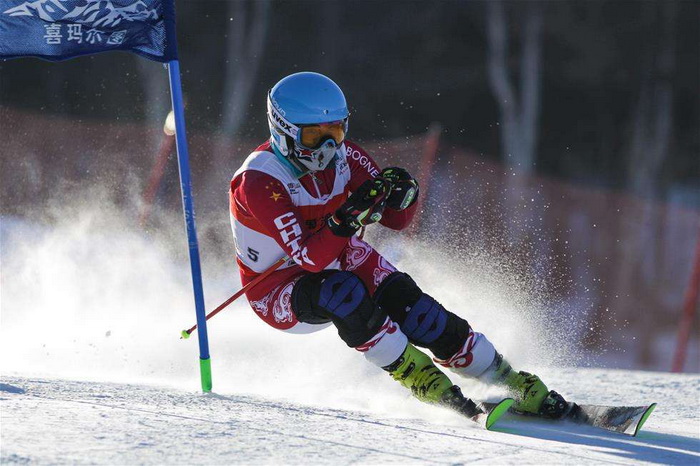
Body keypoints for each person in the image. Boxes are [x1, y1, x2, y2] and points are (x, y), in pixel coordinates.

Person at [229, 71, 567, 419]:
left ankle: (510, 381)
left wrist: (403, 196)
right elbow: (310, 260)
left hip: (337, 252)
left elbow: (396, 222)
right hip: (278, 287)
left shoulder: (346, 157)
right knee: (340, 291)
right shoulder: (259, 181)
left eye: (336, 132)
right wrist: (349, 217)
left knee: (415, 309)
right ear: (283, 131)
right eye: (314, 136)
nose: (327, 148)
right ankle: (420, 377)